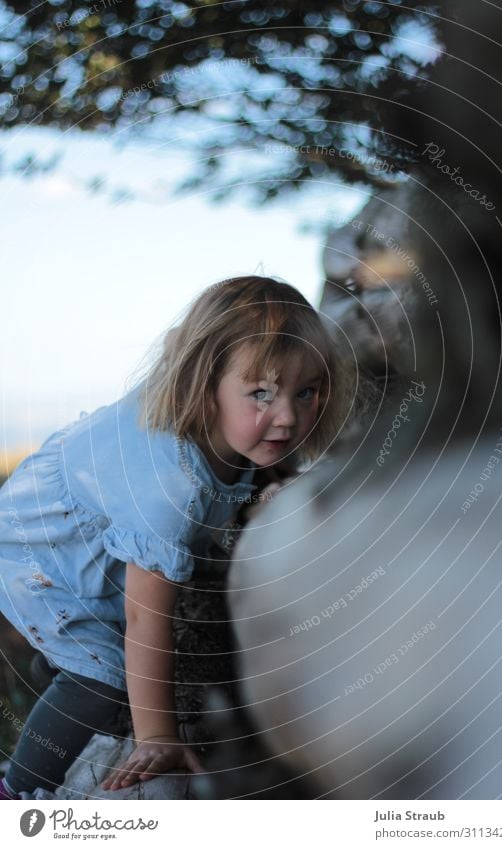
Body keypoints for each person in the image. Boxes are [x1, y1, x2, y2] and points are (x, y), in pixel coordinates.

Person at [0, 275, 353, 799]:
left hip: (77, 540)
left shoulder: (232, 436)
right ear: (203, 381)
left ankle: (61, 673)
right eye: (261, 393)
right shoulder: (167, 486)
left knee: (103, 651)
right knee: (102, 676)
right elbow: (147, 614)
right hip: (42, 558)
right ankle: (20, 790)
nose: (288, 416)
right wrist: (157, 735)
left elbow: (258, 476)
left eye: (306, 392)